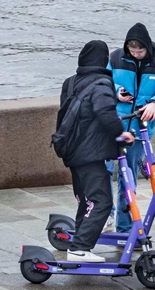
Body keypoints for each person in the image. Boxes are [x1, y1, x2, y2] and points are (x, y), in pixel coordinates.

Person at [60, 40, 134, 262]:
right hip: (89, 153)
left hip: (70, 149)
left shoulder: (71, 82)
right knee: (101, 201)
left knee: (87, 200)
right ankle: (79, 248)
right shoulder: (102, 82)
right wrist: (122, 134)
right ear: (103, 60)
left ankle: (78, 244)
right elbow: (104, 113)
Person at [107, 23, 155, 233]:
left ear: (147, 47)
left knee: (128, 180)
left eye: (140, 50)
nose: (136, 54)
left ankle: (126, 227)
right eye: (132, 50)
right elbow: (103, 81)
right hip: (114, 125)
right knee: (104, 172)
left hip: (138, 131)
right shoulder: (115, 59)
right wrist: (117, 92)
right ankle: (106, 217)